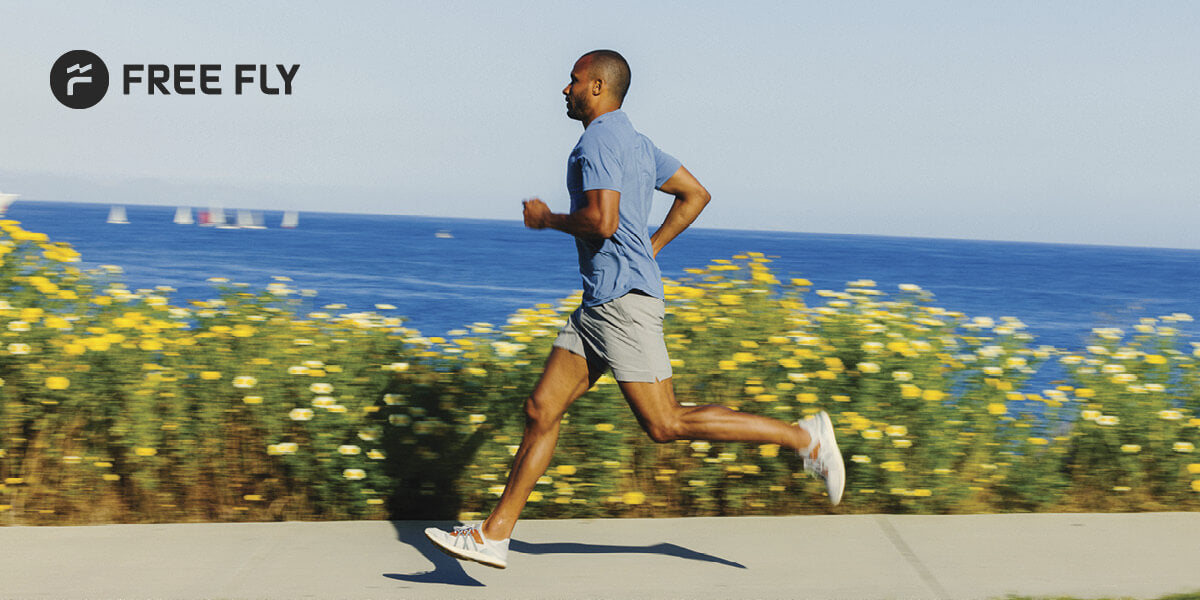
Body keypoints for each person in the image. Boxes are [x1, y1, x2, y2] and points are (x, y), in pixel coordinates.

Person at [426, 50, 844, 569]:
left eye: (573, 80)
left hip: (621, 305)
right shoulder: (638, 144)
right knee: (541, 410)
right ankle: (494, 534)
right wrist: (651, 247)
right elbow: (695, 194)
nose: (565, 89)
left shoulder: (600, 139)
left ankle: (807, 439)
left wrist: (547, 219)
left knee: (665, 423)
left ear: (598, 87)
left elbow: (602, 222)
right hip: (601, 304)